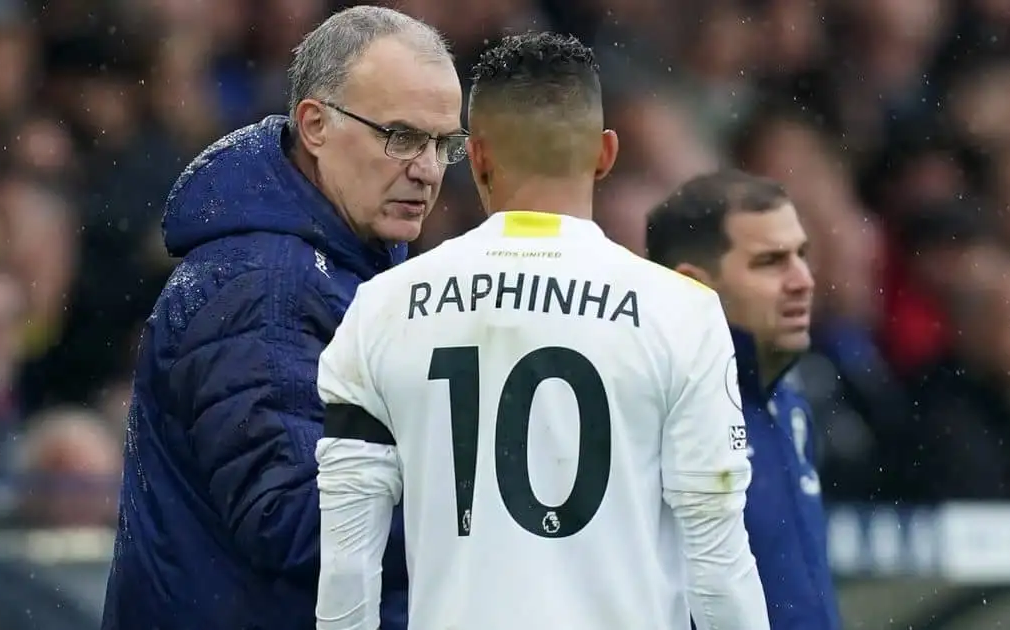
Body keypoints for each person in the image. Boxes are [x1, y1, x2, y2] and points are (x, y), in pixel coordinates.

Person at [314, 32, 770, 630]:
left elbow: (347, 572)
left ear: (476, 155)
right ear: (606, 154)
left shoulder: (380, 309)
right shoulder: (682, 314)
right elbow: (717, 560)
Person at [100, 6, 464, 630]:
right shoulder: (264, 288)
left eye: (443, 144)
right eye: (400, 136)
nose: (427, 170)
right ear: (315, 125)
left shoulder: (339, 263)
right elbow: (295, 524)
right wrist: (481, 496)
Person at [646, 170, 842, 630]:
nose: (803, 280)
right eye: (771, 262)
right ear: (693, 287)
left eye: (802, 255)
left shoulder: (792, 407)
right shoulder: (656, 416)